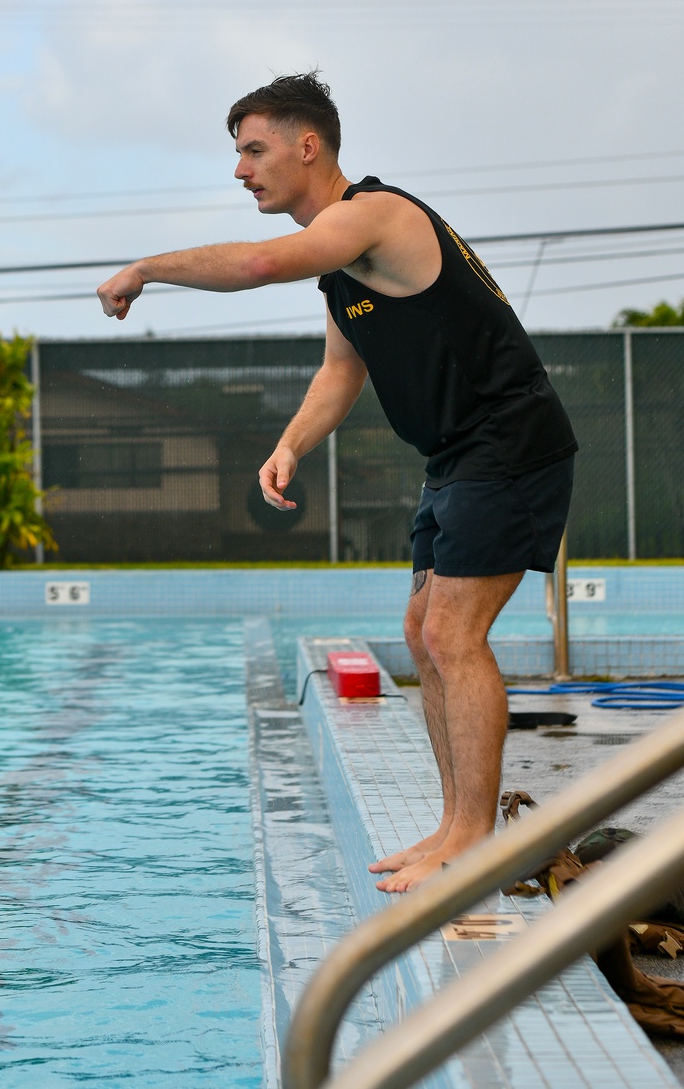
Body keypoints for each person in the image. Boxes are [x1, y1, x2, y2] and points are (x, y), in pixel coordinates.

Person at [96, 72, 576, 892]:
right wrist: (289, 445)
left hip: (508, 442)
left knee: (453, 636)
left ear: (306, 145)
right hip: (458, 453)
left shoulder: (375, 215)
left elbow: (255, 264)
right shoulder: (344, 266)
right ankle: (453, 825)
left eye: (253, 150)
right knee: (425, 628)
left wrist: (147, 267)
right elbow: (340, 370)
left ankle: (473, 839)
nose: (241, 170)